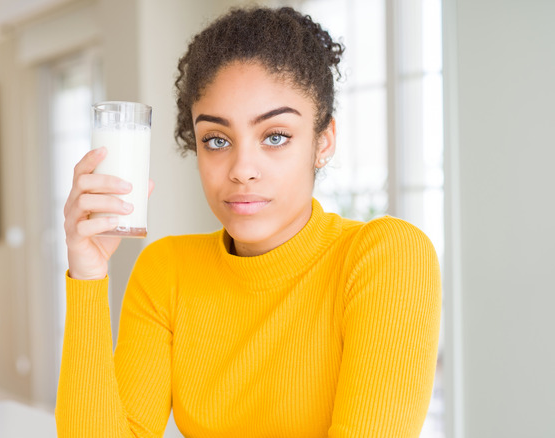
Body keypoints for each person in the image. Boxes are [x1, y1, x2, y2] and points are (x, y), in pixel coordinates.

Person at [57, 6, 441, 438]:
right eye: (217, 140)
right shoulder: (166, 271)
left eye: (275, 136)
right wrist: (87, 276)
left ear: (323, 142)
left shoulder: (385, 258)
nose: (242, 169)